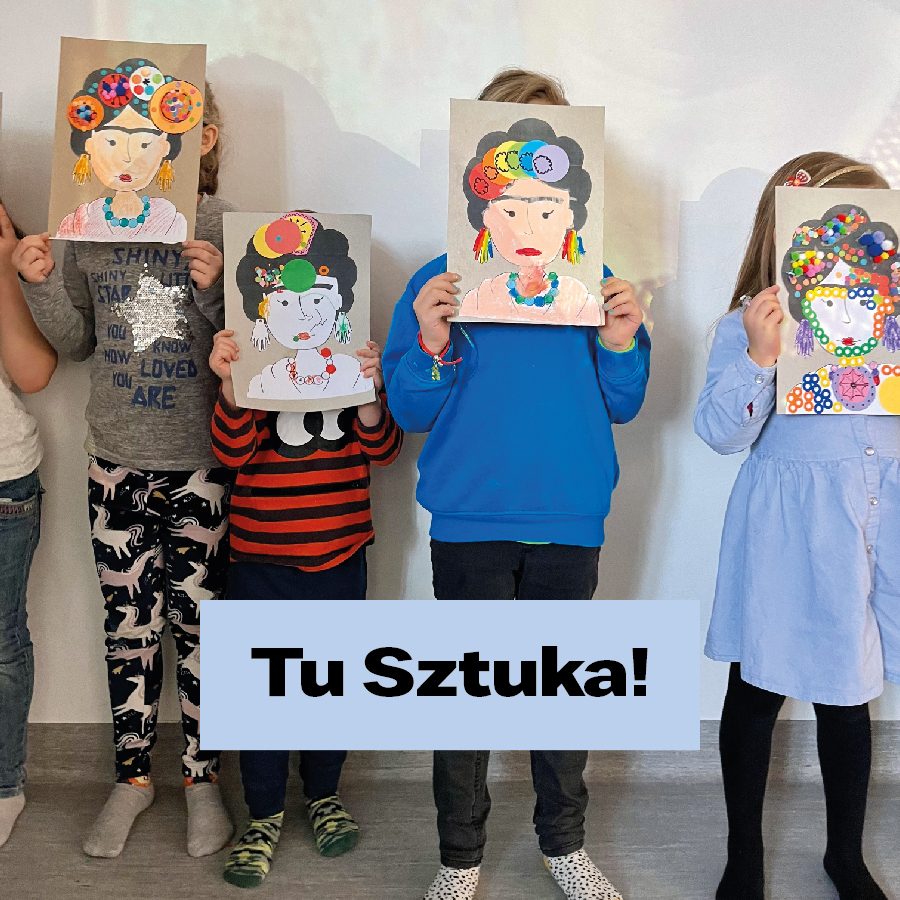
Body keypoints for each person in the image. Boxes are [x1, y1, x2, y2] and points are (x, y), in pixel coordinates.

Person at [382, 68, 649, 900]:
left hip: (569, 516)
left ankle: (563, 845)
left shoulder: (596, 281)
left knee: (558, 697)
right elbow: (410, 409)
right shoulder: (440, 281)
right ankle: (459, 858)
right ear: (480, 191)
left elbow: (623, 402)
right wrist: (430, 339)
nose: (529, 201)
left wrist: (621, 341)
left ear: (572, 198)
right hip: (472, 517)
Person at [12, 82, 235, 859]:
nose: (130, 152)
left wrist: (215, 290)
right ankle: (132, 778)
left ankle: (204, 780)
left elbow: (251, 346)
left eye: (148, 136)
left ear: (197, 139)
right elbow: (75, 343)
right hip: (115, 463)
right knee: (128, 629)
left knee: (205, 629)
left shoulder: (220, 225)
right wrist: (39, 283)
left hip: (203, 464)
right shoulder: (87, 228)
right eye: (112, 136)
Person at [695, 152, 898, 900]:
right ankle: (742, 858)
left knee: (850, 688)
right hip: (792, 528)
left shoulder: (891, 321)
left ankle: (844, 854)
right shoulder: (750, 324)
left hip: (875, 515)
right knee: (757, 686)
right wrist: (761, 354)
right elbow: (721, 432)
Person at [208, 223, 402, 887]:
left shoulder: (352, 368)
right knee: (262, 695)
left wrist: (372, 393)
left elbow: (384, 451)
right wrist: (231, 384)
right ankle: (263, 813)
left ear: (341, 302)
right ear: (262, 310)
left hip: (339, 556)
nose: (305, 312)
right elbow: (231, 454)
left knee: (330, 689)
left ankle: (323, 794)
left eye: (319, 298)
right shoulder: (254, 372)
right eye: (286, 301)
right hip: (261, 560)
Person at [0, 201, 57, 848]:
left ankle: (4, 784)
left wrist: (3, 268)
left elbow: (36, 374)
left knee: (1, 643)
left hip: (3, 479)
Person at [58, 58, 205, 241]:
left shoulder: (172, 221)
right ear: (89, 144)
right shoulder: (78, 222)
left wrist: (216, 261)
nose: (127, 158)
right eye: (112, 142)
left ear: (165, 148)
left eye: (144, 144)